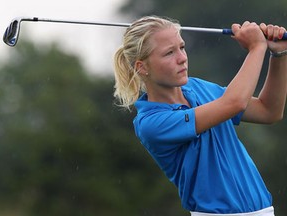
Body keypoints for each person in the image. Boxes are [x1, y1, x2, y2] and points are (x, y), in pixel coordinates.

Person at [113, 15, 287, 215]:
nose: (182, 58)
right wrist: (257, 48)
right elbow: (234, 102)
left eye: (182, 47)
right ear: (141, 67)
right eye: (169, 53)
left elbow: (269, 111)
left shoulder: (197, 87)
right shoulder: (151, 123)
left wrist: (279, 54)